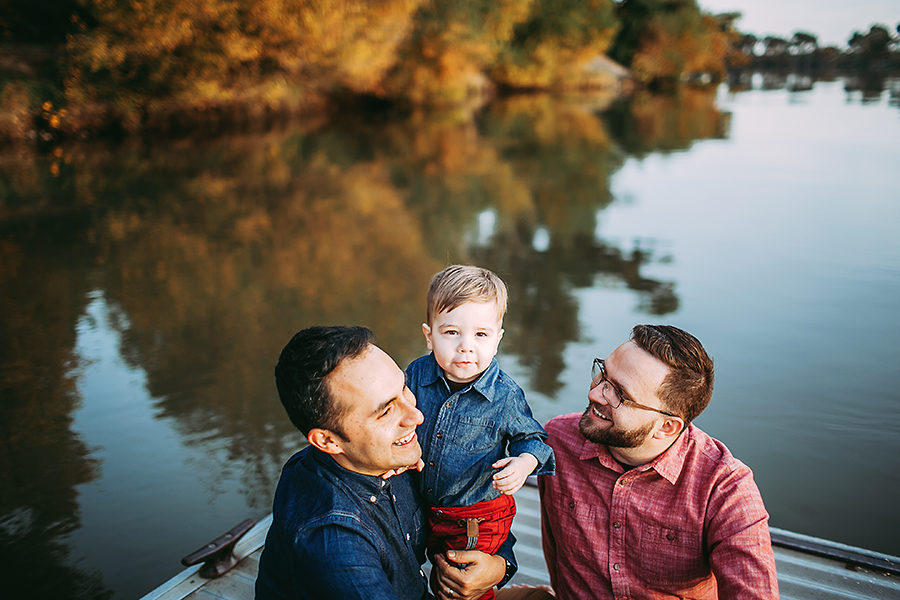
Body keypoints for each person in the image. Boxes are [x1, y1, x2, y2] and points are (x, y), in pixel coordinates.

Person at [255, 325, 516, 600]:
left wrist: (499, 567)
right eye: (386, 411)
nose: (416, 416)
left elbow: (476, 504)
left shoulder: (382, 455)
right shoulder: (335, 543)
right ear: (328, 441)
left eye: (404, 388)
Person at [532, 324, 779, 599]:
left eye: (620, 395)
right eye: (603, 374)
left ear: (667, 427)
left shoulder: (724, 488)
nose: (595, 394)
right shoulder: (557, 441)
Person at [405, 265, 555, 600]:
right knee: (409, 564)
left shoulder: (504, 396)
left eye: (481, 335)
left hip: (476, 516)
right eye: (452, 333)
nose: (466, 347)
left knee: (461, 585)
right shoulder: (415, 374)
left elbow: (533, 440)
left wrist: (523, 464)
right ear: (429, 335)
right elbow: (395, 416)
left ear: (498, 339)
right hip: (423, 501)